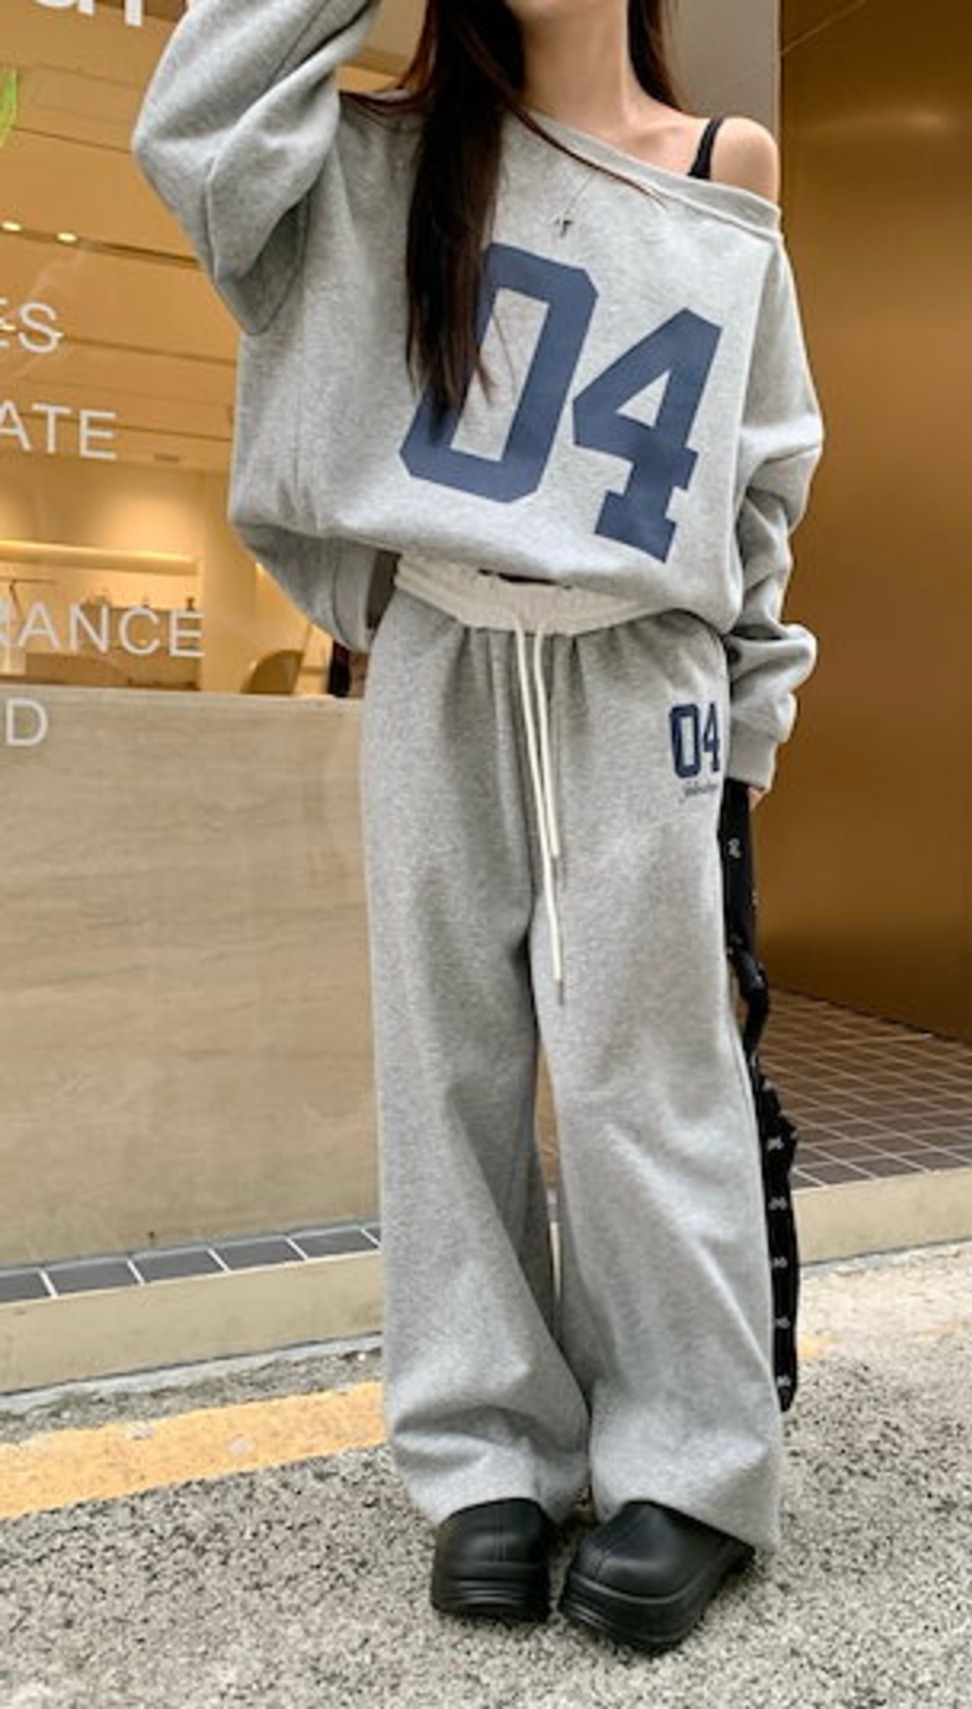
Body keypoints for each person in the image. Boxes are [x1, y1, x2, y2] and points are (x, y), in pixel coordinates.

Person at [133, 0, 823, 1656]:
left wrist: (748, 723)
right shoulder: (377, 159)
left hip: (641, 671)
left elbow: (760, 468)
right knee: (443, 1064)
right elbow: (193, 136)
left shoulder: (722, 164)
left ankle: (690, 1463)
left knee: (646, 1072)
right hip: (439, 646)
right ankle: (485, 1453)